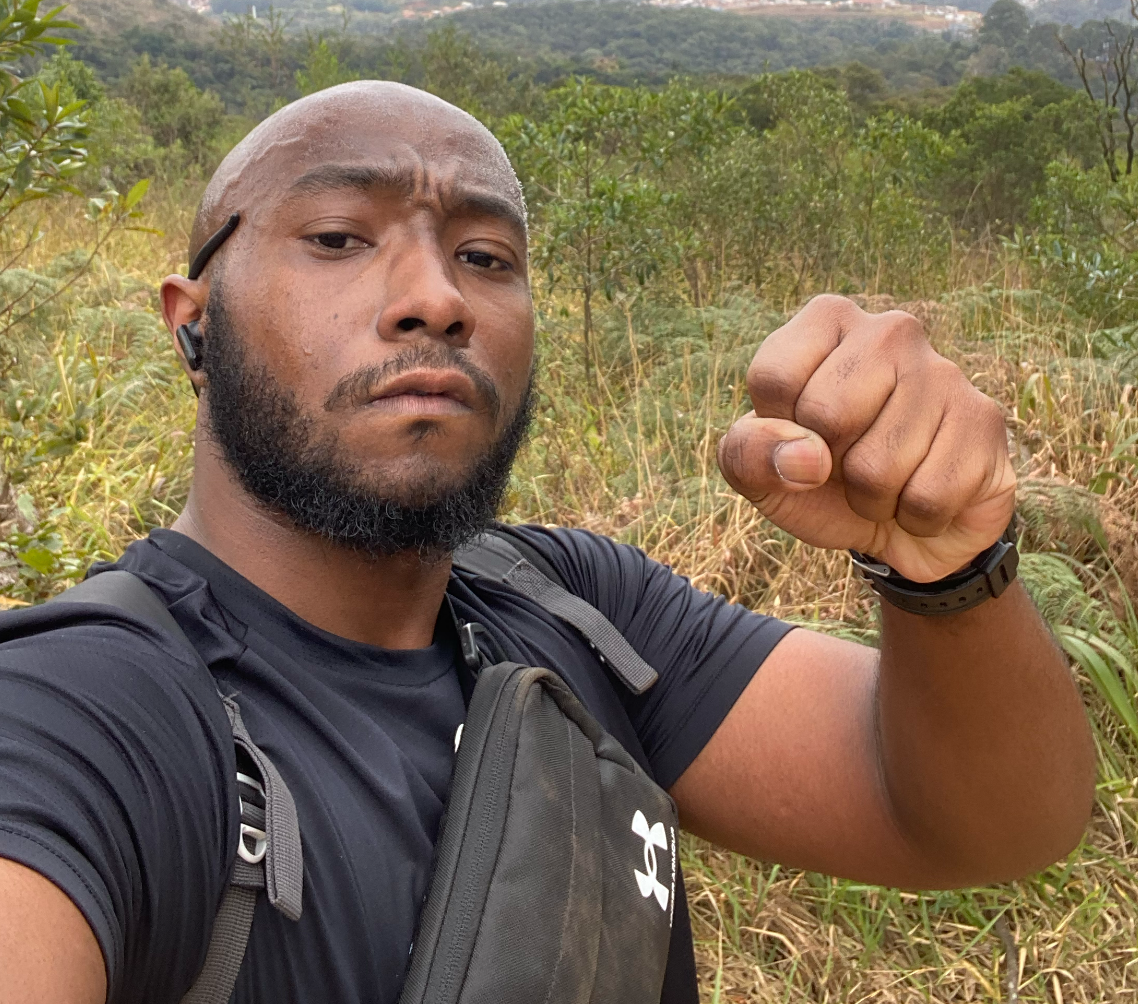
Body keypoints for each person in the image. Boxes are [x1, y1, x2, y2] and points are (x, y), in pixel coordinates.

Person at [0, 81, 1094, 1004]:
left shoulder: (576, 608)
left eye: (485, 255)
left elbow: (978, 824)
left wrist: (950, 568)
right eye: (338, 237)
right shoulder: (83, 716)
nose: (436, 297)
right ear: (193, 321)